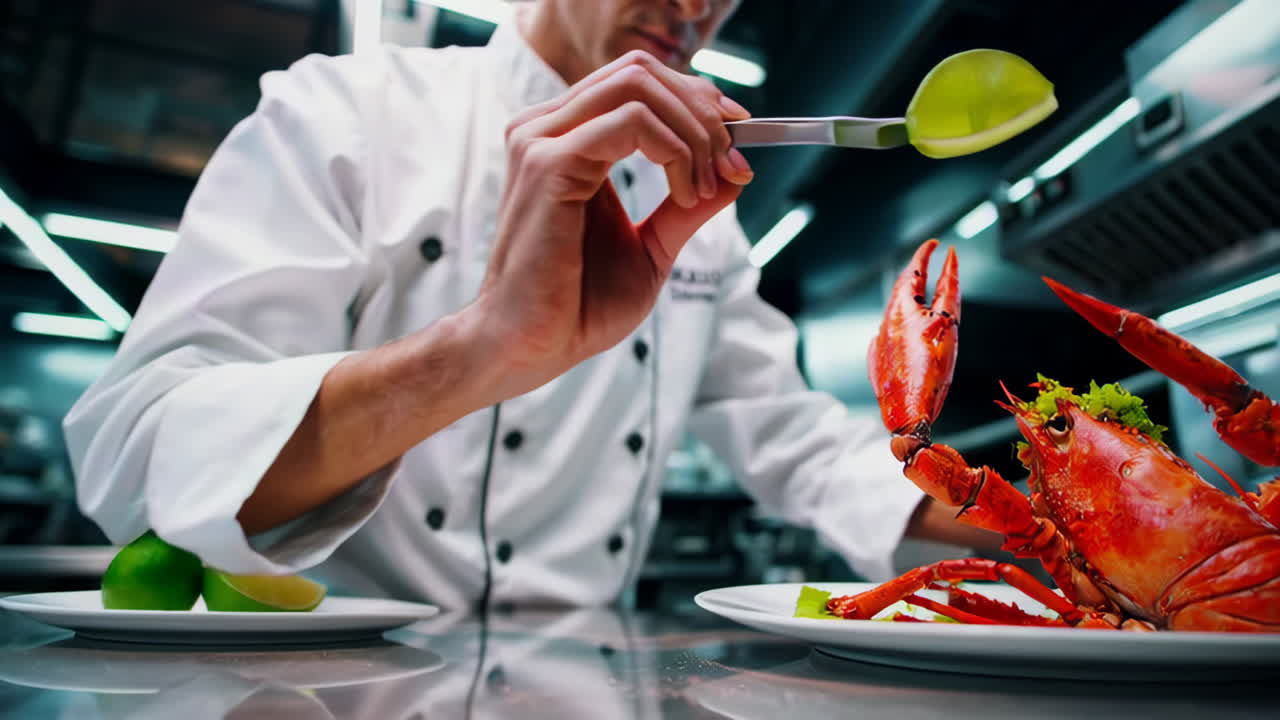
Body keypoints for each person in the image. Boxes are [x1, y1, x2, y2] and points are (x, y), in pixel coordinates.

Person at [64, 0, 997, 609]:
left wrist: (1049, 520)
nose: (698, 9)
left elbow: (799, 442)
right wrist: (479, 352)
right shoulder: (348, 113)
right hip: (330, 679)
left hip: (587, 678)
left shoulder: (702, 225)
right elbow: (140, 459)